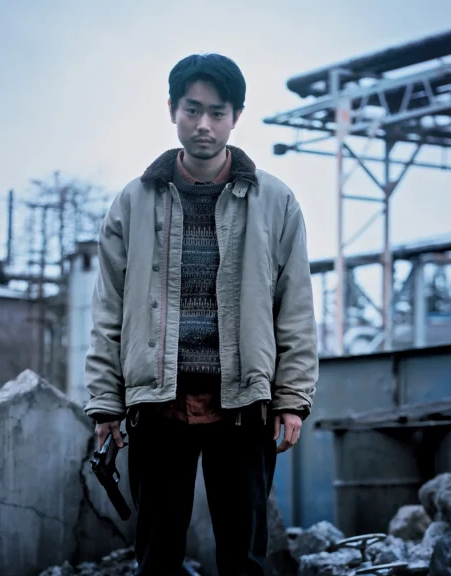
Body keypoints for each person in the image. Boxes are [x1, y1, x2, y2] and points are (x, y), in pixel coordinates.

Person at [83, 52, 318, 576]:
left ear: (236, 117)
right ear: (172, 110)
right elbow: (108, 310)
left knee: (244, 559)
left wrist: (292, 399)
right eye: (192, 110)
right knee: (157, 560)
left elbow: (295, 308)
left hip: (243, 408)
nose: (204, 124)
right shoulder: (133, 202)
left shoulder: (275, 202)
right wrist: (105, 404)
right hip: (157, 406)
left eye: (217, 112)